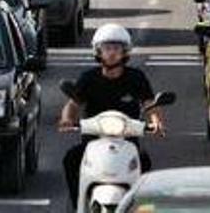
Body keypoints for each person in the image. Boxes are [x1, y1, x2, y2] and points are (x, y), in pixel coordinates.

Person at [59, 24, 165, 208]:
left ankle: (138, 206)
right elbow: (73, 104)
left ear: (125, 52)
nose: (112, 53)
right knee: (70, 159)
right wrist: (67, 119)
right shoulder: (88, 78)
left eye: (117, 48)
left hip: (127, 140)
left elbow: (149, 104)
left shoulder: (136, 77)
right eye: (107, 48)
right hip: (92, 140)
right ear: (98, 52)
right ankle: (77, 203)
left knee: (145, 162)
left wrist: (156, 122)